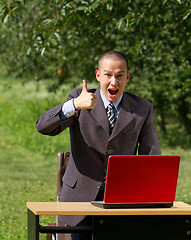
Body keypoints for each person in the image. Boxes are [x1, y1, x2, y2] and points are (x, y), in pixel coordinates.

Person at [36, 51, 161, 240]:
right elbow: (43, 126)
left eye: (119, 76)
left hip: (121, 202)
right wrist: (73, 105)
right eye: (108, 75)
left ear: (127, 77)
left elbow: (151, 158)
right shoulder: (80, 98)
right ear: (98, 75)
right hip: (78, 201)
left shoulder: (143, 108)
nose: (113, 82)